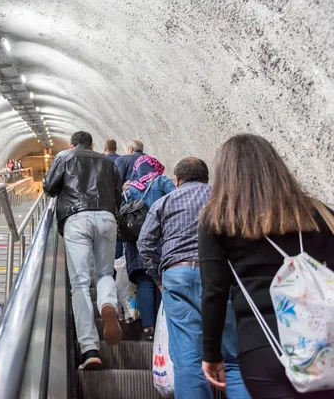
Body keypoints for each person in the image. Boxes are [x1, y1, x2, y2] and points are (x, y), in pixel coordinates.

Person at [199, 134, 334, 399]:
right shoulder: (320, 213)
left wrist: (211, 353)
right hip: (324, 342)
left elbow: (214, 292)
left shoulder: (217, 221)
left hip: (262, 345)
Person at [138, 157, 249, 399]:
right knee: (232, 358)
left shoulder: (164, 202)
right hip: (222, 276)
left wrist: (159, 276)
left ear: (177, 181)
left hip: (178, 276)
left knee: (187, 360)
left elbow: (144, 243)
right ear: (207, 178)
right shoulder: (226, 200)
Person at [43, 131, 122, 370]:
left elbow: (49, 187)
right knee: (105, 274)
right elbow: (118, 196)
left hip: (76, 218)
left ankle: (90, 350)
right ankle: (108, 304)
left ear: (72, 144)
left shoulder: (65, 156)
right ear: (93, 144)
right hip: (107, 217)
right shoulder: (108, 162)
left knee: (79, 284)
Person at [123, 154, 175, 340]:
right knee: (161, 281)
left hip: (137, 241)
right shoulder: (161, 181)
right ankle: (164, 327)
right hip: (162, 238)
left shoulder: (129, 188)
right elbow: (175, 198)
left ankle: (148, 329)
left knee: (144, 282)